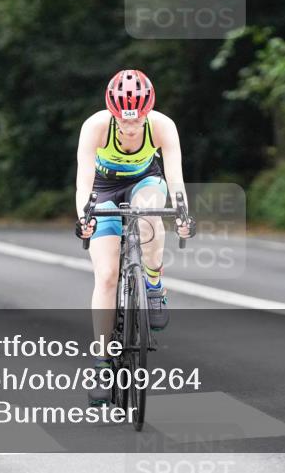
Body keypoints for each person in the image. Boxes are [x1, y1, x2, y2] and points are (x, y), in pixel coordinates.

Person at [74, 69, 195, 405]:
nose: (129, 127)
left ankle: (153, 284)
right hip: (104, 189)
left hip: (146, 181)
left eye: (136, 120)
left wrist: (183, 213)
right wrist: (85, 216)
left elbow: (175, 178)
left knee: (149, 215)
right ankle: (102, 362)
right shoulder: (95, 126)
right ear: (113, 113)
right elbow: (84, 182)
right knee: (107, 276)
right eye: (123, 120)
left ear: (148, 111)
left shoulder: (162, 126)